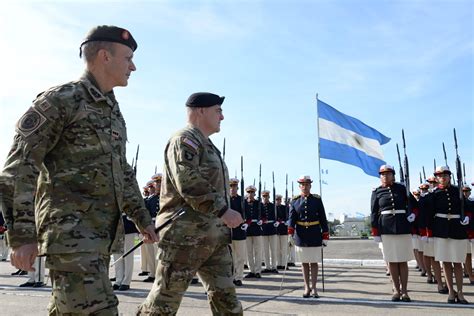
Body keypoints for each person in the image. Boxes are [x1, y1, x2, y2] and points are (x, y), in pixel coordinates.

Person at [0, 25, 158, 315]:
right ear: (104, 56)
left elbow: (121, 171)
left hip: (98, 238)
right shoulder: (61, 100)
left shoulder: (112, 110)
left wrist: (142, 218)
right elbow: (19, 166)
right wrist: (22, 235)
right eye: (128, 58)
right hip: (70, 238)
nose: (133, 67)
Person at [137, 92, 243, 315]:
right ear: (201, 111)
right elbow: (188, 182)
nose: (222, 117)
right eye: (218, 110)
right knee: (162, 304)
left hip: (213, 239)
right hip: (183, 239)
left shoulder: (209, 146)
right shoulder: (185, 140)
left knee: (228, 303)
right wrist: (223, 210)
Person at [423, 166, 470, 304]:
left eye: (445, 176)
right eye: (439, 176)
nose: (442, 178)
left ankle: (460, 293)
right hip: (441, 230)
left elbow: (467, 207)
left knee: (458, 262)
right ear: (436, 179)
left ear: (450, 177)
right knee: (446, 262)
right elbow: (428, 214)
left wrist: (467, 217)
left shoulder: (457, 191)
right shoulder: (433, 194)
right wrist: (429, 233)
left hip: (457, 229)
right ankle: (450, 291)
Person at [371, 165, 415, 302]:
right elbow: (373, 213)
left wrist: (413, 214)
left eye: (388, 174)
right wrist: (376, 232)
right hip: (386, 228)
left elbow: (414, 204)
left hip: (403, 226)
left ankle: (405, 291)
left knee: (403, 261)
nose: (385, 176)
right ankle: (396, 290)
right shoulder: (377, 192)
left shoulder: (402, 189)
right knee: (392, 262)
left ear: (393, 175)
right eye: (383, 174)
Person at [288, 175, 328, 298]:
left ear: (310, 186)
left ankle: (314, 287)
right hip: (301, 235)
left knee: (314, 262)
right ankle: (306, 287)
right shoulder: (295, 201)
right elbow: (292, 218)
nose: (305, 187)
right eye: (302, 184)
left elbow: (323, 217)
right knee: (304, 262)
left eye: (307, 184)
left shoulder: (316, 200)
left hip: (315, 233)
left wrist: (325, 235)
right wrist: (290, 233)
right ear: (299, 186)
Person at [229, 178, 247, 286]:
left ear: (237, 188)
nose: (232, 189)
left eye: (234, 187)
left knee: (240, 256)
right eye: (231, 186)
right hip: (228, 230)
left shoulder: (242, 200)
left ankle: (239, 277)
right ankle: (230, 277)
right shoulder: (226, 199)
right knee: (230, 257)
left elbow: (248, 214)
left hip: (239, 230)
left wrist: (246, 223)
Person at [243, 185, 263, 278]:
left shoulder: (258, 203)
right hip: (247, 229)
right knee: (249, 252)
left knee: (258, 251)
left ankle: (258, 271)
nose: (250, 194)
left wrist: (262, 220)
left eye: (252, 192)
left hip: (257, 229)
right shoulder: (243, 203)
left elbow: (264, 216)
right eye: (248, 192)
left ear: (255, 193)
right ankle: (251, 270)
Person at [261, 190, 278, 273]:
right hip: (264, 230)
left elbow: (277, 216)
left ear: (269, 197)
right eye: (264, 196)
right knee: (265, 250)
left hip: (272, 229)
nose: (265, 198)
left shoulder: (272, 206)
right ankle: (267, 267)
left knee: (273, 249)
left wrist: (277, 222)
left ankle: (274, 266)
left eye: (266, 196)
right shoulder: (260, 206)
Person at [462, 186, 474, 284]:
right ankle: (470, 275)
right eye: (464, 191)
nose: (465, 193)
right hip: (465, 231)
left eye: (467, 191)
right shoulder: (460, 202)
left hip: (472, 230)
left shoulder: (471, 201)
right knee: (467, 255)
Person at [275, 194, 289, 270]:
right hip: (276, 230)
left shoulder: (285, 208)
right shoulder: (273, 208)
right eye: (277, 200)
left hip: (283, 230)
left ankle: (284, 264)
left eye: (279, 199)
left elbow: (288, 217)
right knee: (277, 248)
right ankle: (279, 263)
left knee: (284, 248)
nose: (278, 201)